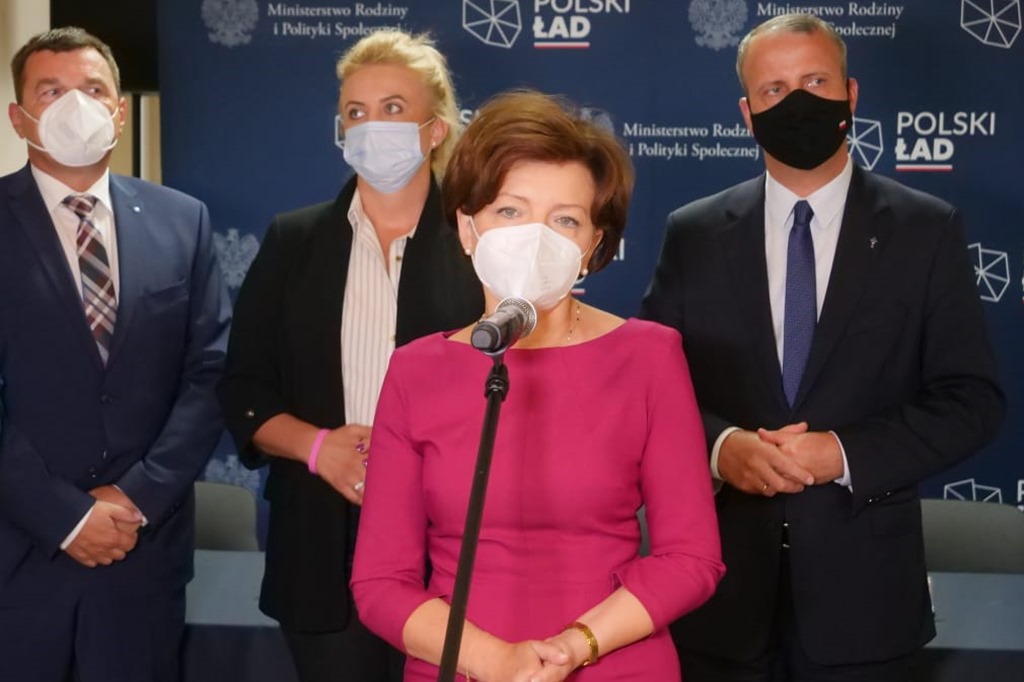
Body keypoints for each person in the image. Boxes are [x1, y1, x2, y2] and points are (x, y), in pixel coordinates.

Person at [639, 13, 1005, 682]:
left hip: (867, 604)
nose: (797, 103)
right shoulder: (693, 234)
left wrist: (841, 452)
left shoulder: (925, 229)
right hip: (717, 599)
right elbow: (649, 393)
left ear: (850, 95)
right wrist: (722, 449)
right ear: (747, 114)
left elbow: (971, 401)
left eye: (814, 82)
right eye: (775, 90)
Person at [351, 90, 725, 682]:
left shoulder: (650, 356)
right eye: (510, 211)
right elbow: (380, 583)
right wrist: (495, 661)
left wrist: (575, 647)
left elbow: (691, 558)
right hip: (461, 667)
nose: (535, 236)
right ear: (467, 227)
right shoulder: (416, 370)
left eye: (565, 220)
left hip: (613, 664)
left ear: (592, 247)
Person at [218, 29, 483, 682]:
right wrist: (319, 449)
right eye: (356, 112)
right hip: (320, 550)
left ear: (436, 129)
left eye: (393, 108)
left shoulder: (480, 243)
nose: (372, 127)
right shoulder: (294, 240)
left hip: (456, 549)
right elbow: (244, 387)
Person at [0, 27, 230, 682]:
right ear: (18, 117)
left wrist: (136, 497)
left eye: (93, 89)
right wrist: (66, 516)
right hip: (17, 559)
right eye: (51, 91)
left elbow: (210, 371)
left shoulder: (183, 220)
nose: (76, 105)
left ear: (119, 112)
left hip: (142, 558)